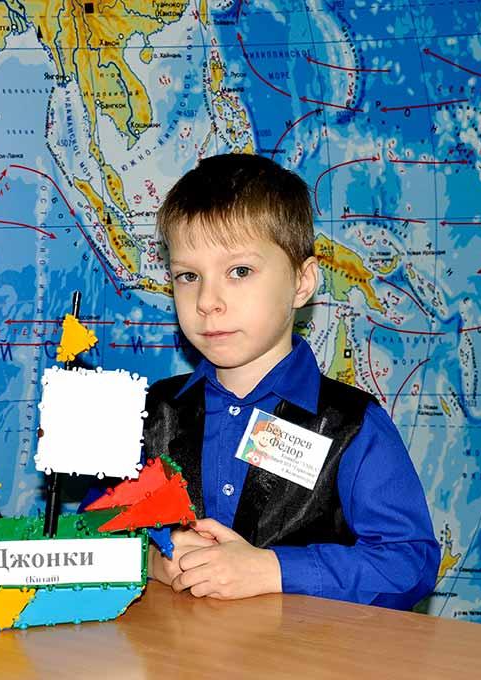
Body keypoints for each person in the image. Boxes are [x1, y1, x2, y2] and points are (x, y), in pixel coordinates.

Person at [142, 152, 439, 609]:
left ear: (302, 283)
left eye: (240, 271)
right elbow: (95, 528)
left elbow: (409, 563)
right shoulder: (151, 413)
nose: (207, 301)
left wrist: (273, 570)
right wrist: (150, 560)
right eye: (188, 275)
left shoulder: (352, 426)